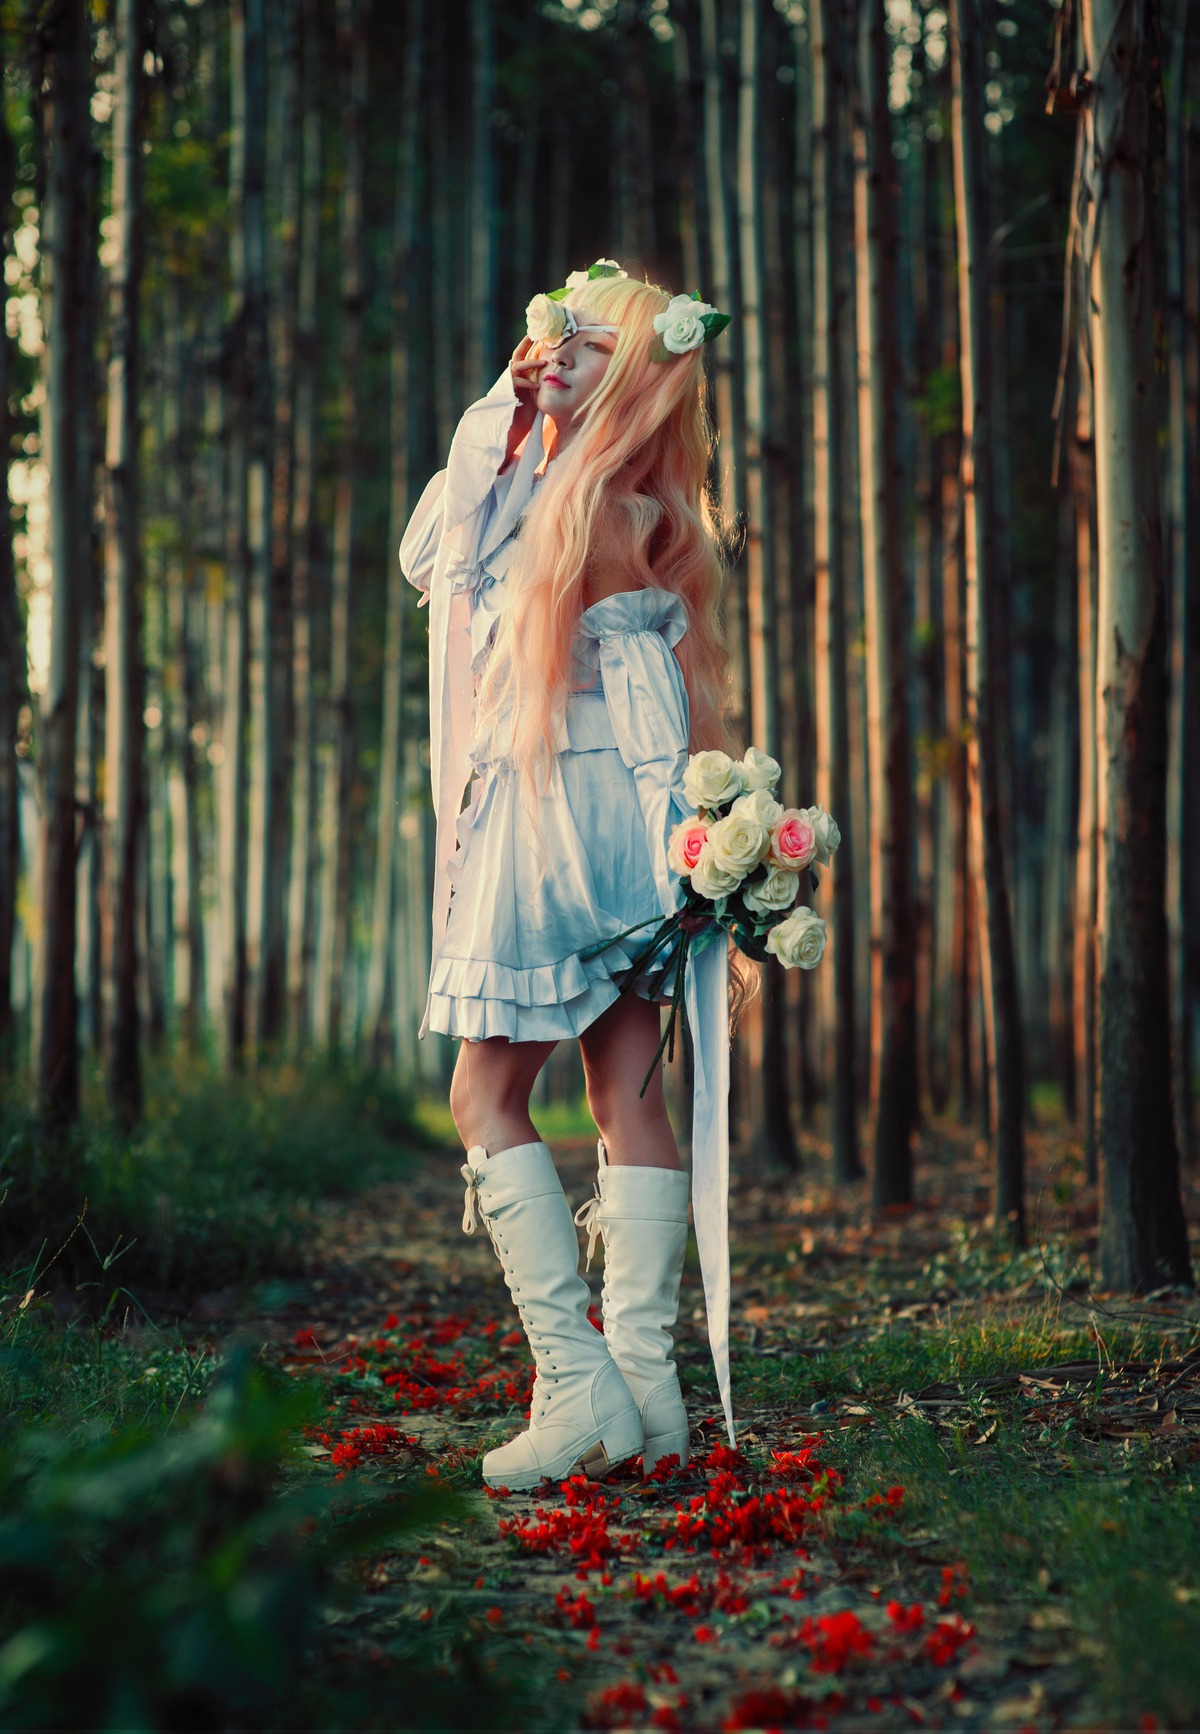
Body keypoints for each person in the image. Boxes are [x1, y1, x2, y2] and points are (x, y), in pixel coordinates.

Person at [401, 263, 735, 1492]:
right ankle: (645, 1391)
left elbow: (432, 552)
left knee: (484, 1098)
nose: (559, 348)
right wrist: (680, 842)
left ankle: (580, 1379)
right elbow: (652, 705)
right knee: (623, 1099)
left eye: (589, 341)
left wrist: (512, 416)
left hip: (546, 811)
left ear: (635, 375)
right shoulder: (655, 515)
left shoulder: (567, 499)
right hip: (626, 818)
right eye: (559, 332)